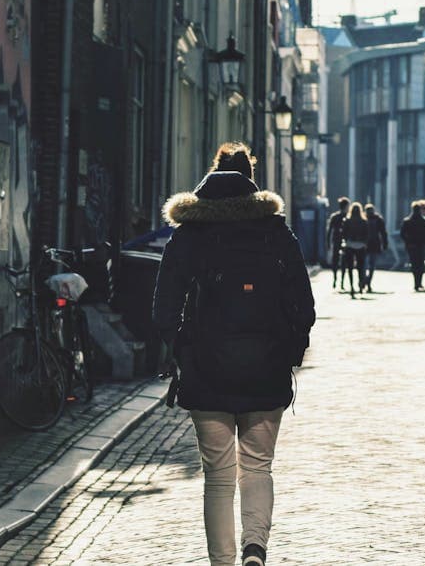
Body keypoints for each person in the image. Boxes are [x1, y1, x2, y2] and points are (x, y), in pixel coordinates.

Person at [153, 142, 316, 566]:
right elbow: (305, 304)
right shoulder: (276, 231)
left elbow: (164, 306)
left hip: (206, 370)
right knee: (258, 468)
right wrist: (289, 351)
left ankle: (222, 562)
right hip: (267, 369)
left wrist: (177, 351)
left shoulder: (190, 233)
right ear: (252, 182)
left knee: (219, 479)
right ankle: (255, 550)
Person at [341, 202, 369, 297]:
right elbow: (366, 234)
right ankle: (360, 285)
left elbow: (343, 233)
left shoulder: (347, 220)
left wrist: (346, 241)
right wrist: (364, 243)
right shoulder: (364, 221)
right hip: (361, 245)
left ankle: (352, 286)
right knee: (360, 267)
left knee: (350, 267)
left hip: (349, 245)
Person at [325, 197, 350, 290]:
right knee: (344, 262)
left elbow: (329, 231)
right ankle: (341, 281)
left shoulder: (334, 216)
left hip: (336, 240)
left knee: (335, 261)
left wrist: (328, 243)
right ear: (346, 206)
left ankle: (335, 278)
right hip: (345, 241)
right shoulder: (348, 216)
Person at [363, 204, 388, 293]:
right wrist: (385, 244)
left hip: (364, 245)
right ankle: (368, 282)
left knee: (364, 265)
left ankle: (364, 280)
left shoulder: (363, 218)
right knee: (372, 265)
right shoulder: (378, 219)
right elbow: (383, 233)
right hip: (375, 244)